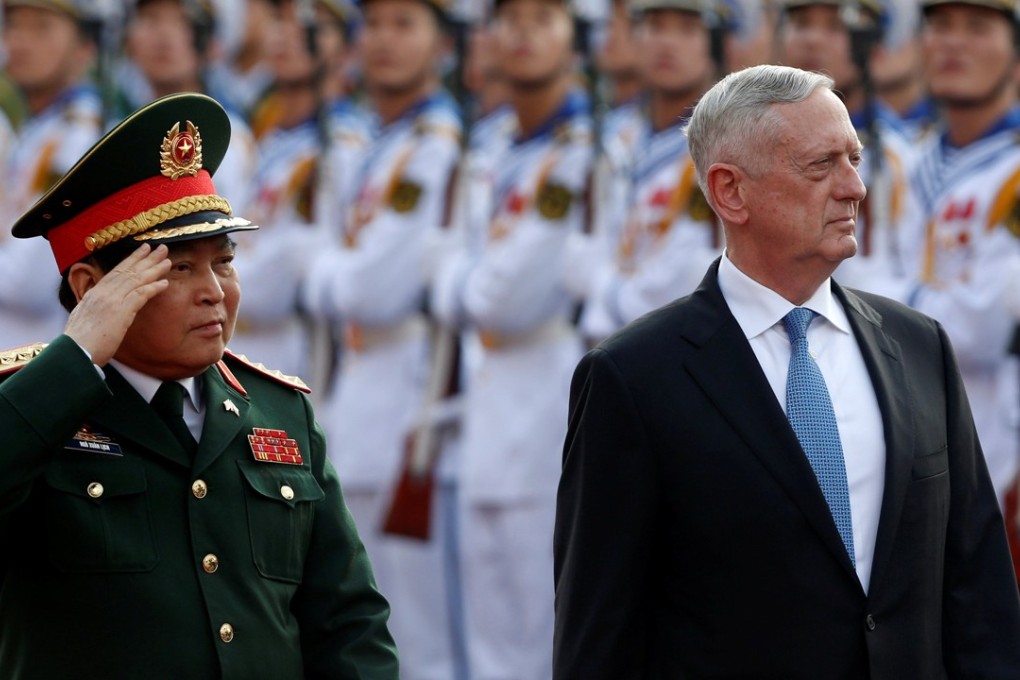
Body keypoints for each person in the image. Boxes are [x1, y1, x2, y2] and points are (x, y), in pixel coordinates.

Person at [553, 64, 1020, 679]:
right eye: (821, 165)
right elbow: (599, 634)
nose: (855, 188)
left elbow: (977, 591)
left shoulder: (918, 346)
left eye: (854, 159)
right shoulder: (633, 378)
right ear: (730, 191)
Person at [0, 92, 398, 678]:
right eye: (180, 268)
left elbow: (349, 622)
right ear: (90, 288)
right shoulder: (34, 408)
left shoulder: (278, 410)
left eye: (224, 262)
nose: (214, 291)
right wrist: (75, 359)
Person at [301, 0, 464, 676]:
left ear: (443, 43)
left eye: (405, 24)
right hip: (359, 388)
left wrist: (326, 273)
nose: (384, 40)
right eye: (374, 24)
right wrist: (334, 273)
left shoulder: (435, 145)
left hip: (408, 395)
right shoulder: (378, 142)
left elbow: (372, 289)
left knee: (415, 629)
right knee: (356, 617)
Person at [431, 0, 590, 675]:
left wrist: (459, 283)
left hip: (545, 402)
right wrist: (463, 283)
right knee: (484, 640)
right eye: (510, 18)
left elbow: (506, 298)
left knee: (536, 631)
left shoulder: (582, 152)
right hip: (487, 411)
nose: (522, 31)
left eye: (543, 16)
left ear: (575, 38)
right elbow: (449, 275)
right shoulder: (493, 148)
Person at [901, 0, 1020, 584]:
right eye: (941, 26)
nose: (953, 43)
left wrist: (882, 304)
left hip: (997, 446)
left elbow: (981, 326)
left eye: (976, 28)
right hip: (904, 437)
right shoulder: (902, 162)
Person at [573, 0, 723, 344]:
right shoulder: (616, 137)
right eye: (655, 27)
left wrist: (604, 293)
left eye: (686, 29)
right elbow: (576, 263)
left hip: (677, 347)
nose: (667, 43)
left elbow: (688, 279)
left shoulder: (724, 144)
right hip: (601, 347)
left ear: (712, 44)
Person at [0, 0, 102, 351]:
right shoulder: (39, 126)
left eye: (42, 28)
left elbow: (28, 283)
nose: (20, 41)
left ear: (84, 48)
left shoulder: (78, 138)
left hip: (28, 357)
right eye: (14, 25)